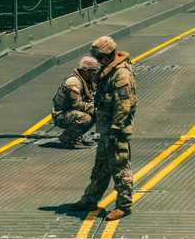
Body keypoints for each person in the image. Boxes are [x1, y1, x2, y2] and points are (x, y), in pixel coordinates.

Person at [68, 36, 137, 221]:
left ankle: (124, 205)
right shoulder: (109, 71)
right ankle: (90, 199)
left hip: (116, 131)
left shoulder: (121, 75)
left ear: (108, 55)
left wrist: (116, 129)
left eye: (100, 58)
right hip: (106, 128)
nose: (98, 62)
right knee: (101, 167)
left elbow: (124, 106)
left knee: (120, 168)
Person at [52, 56, 98, 149]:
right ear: (85, 71)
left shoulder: (87, 80)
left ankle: (76, 136)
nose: (94, 73)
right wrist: (95, 110)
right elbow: (76, 105)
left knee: (94, 115)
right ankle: (66, 137)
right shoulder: (74, 83)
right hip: (61, 115)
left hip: (71, 112)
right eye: (92, 70)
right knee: (86, 118)